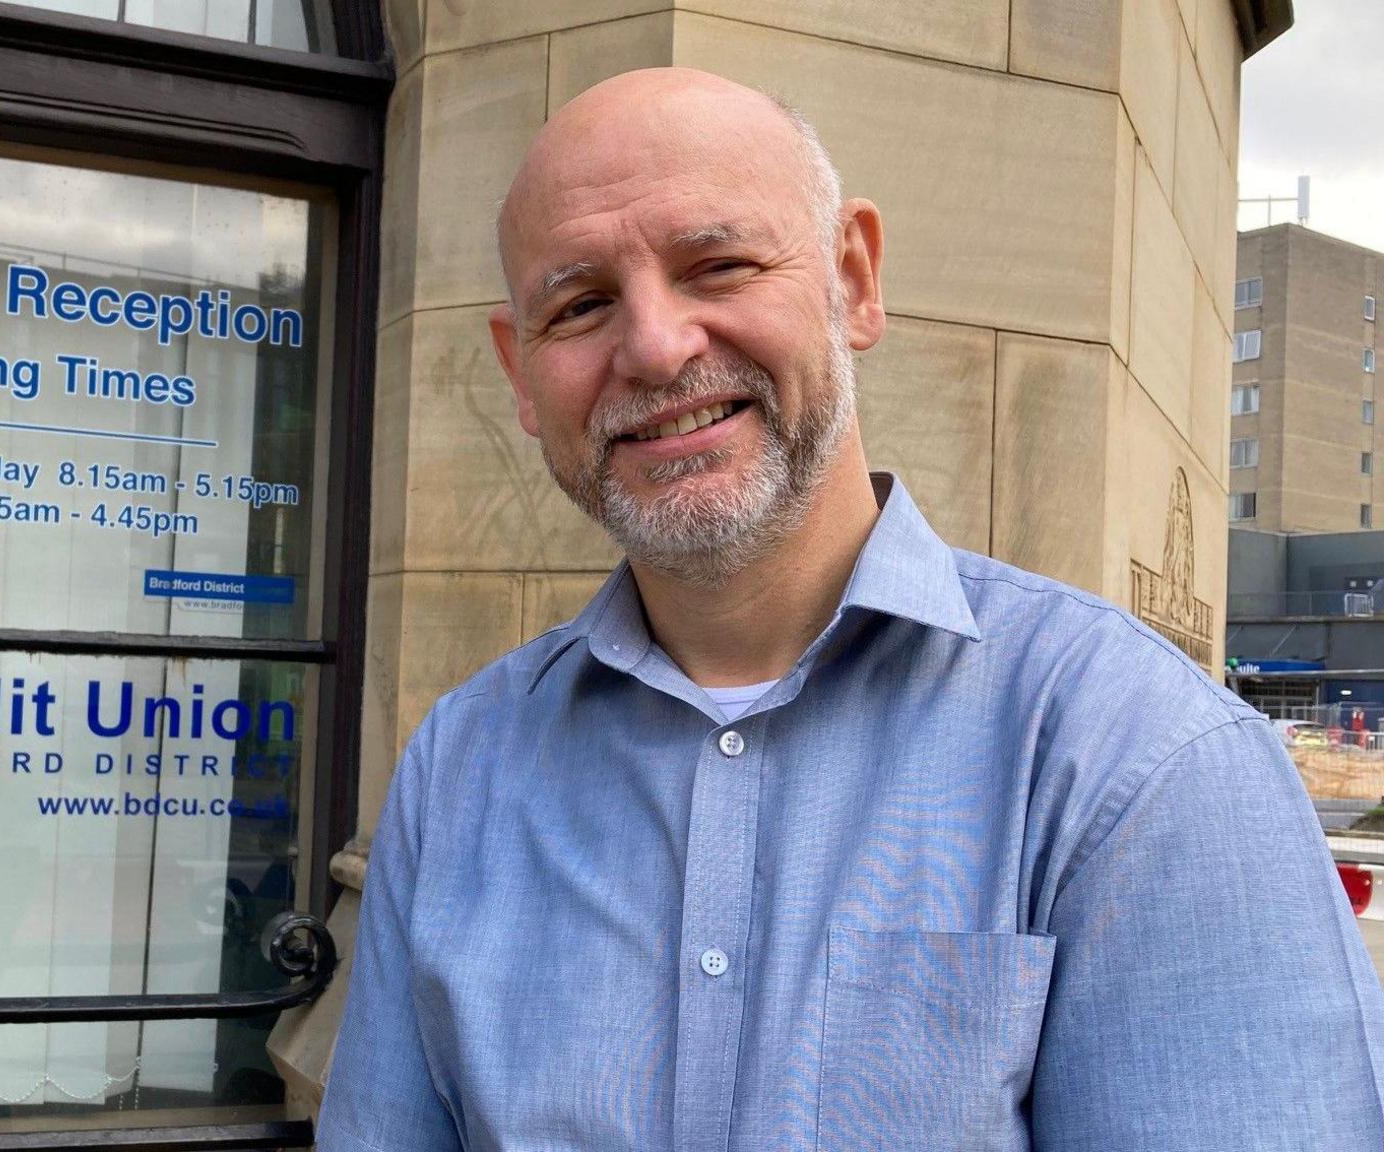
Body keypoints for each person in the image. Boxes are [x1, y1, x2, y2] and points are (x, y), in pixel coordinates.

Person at [316, 68, 1384, 1150]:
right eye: (580, 304)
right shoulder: (460, 769)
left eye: (717, 264)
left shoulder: (1144, 761)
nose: (651, 346)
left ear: (851, 280)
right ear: (520, 369)